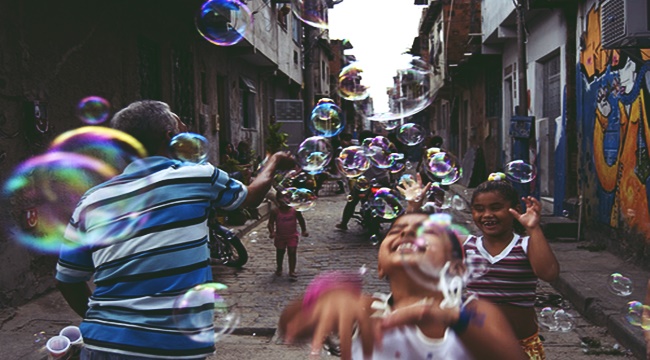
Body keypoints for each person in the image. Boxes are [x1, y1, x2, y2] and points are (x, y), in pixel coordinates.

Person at [54, 100, 295, 359]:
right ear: (170, 137)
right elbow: (249, 196)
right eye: (182, 126)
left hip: (102, 345)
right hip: (176, 349)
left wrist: (112, 323)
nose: (188, 130)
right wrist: (273, 161)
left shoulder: (91, 201)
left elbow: (68, 278)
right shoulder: (196, 175)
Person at [279, 212, 526, 360]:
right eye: (397, 230)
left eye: (424, 231)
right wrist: (327, 298)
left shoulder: (472, 312)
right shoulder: (368, 308)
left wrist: (444, 317)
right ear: (381, 268)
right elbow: (291, 327)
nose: (407, 233)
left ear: (454, 267)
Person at [461, 176, 560, 359]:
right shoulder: (466, 245)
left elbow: (549, 273)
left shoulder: (526, 245)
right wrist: (413, 207)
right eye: (479, 209)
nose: (487, 214)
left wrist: (533, 228)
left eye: (496, 208)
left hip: (521, 346)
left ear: (515, 210)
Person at [335, 131, 390, 231]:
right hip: (382, 180)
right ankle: (380, 217)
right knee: (382, 199)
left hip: (365, 182)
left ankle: (344, 223)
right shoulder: (380, 150)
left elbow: (351, 166)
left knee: (352, 202)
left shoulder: (359, 152)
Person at [268, 192, 308, 279]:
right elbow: (270, 223)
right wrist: (272, 232)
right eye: (282, 199)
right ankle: (279, 267)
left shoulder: (295, 211)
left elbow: (301, 220)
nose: (284, 201)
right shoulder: (275, 211)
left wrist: (304, 230)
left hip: (292, 235)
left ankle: (292, 270)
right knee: (280, 252)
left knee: (292, 252)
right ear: (278, 201)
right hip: (280, 236)